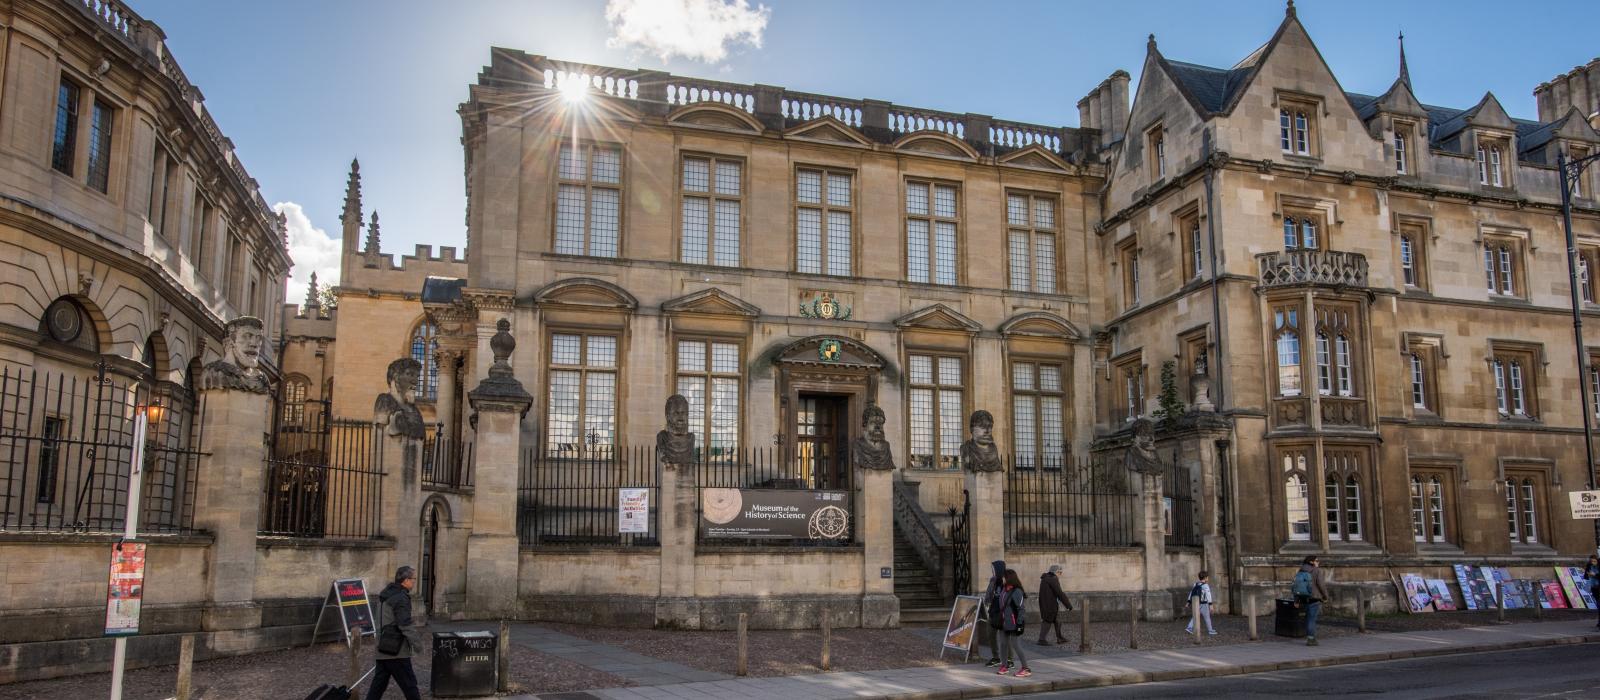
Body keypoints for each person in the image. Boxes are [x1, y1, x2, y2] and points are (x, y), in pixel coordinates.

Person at [368, 566, 424, 700]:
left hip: (383, 647)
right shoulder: (400, 598)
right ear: (405, 580)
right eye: (413, 579)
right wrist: (418, 645)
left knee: (378, 686)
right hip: (396, 650)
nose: (414, 582)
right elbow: (405, 625)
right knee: (410, 686)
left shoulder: (386, 593)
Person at [995, 569, 1032, 678]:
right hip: (1003, 622)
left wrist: (1019, 624)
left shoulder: (1017, 591)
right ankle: (1004, 666)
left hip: (1014, 622)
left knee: (1016, 645)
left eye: (1004, 577)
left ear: (1009, 578)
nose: (1002, 578)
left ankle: (1026, 668)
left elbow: (1021, 609)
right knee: (1002, 644)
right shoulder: (1003, 588)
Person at [1293, 555, 1329, 646]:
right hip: (1314, 598)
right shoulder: (1316, 571)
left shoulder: (1300, 570)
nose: (1318, 562)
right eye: (1317, 560)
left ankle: (1309, 636)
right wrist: (1325, 596)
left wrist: (1296, 600)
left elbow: (1296, 586)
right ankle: (1311, 639)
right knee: (1311, 619)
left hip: (1303, 597)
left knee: (1307, 618)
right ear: (1311, 562)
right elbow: (1321, 585)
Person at [1036, 564, 1073, 645]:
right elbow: (1060, 593)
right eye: (1060, 572)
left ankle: (1059, 638)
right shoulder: (1052, 579)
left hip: (1047, 604)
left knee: (1057, 620)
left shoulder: (1046, 578)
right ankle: (1041, 639)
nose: (1060, 574)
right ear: (1055, 572)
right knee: (1047, 621)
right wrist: (1068, 605)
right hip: (1050, 605)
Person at [980, 560, 1006, 666]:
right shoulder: (993, 580)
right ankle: (996, 657)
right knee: (990, 635)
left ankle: (1009, 659)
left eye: (993, 569)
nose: (992, 571)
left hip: (1004, 613)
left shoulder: (1006, 581)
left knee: (1005, 638)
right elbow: (988, 594)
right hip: (993, 612)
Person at [1184, 570, 1217, 636]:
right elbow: (1208, 596)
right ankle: (1210, 630)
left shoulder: (1196, 584)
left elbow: (1191, 593)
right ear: (1205, 578)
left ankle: (1189, 627)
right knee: (1207, 617)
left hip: (1196, 603)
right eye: (1207, 577)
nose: (1208, 578)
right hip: (1204, 604)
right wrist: (1211, 605)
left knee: (1195, 616)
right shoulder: (1206, 586)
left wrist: (1188, 602)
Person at [1585, 555, 1600, 628]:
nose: (1593, 562)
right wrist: (1587, 574)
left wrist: (1595, 574)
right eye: (1591, 561)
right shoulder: (1589, 566)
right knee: (1598, 604)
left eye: (1594, 561)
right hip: (1594, 587)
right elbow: (1586, 576)